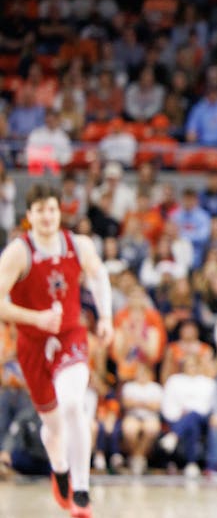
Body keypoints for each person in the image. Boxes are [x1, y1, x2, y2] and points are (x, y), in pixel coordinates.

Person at [0, 183, 115, 517]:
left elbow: (99, 275)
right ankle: (60, 467)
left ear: (59, 211)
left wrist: (105, 316)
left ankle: (81, 489)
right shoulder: (18, 252)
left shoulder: (77, 244)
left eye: (52, 209)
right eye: (40, 211)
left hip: (70, 337)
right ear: (29, 216)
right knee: (52, 426)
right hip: (33, 344)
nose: (47, 216)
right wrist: (34, 317)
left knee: (73, 403)